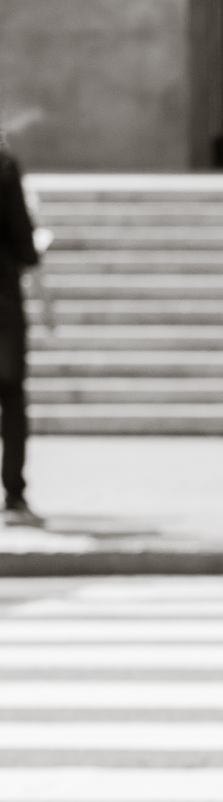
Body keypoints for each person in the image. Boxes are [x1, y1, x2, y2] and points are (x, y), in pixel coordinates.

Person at [1, 110, 49, 526]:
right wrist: (46, 302)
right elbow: (24, 239)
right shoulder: (4, 167)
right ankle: (13, 494)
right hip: (3, 303)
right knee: (11, 396)